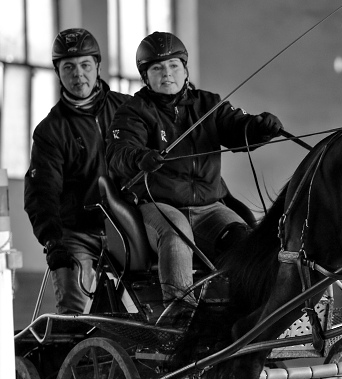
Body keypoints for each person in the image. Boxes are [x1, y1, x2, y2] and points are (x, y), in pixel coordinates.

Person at [106, 31, 282, 312]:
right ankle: (179, 317)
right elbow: (119, 153)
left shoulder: (208, 105)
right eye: (157, 68)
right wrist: (140, 157)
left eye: (174, 65)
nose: (167, 74)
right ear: (145, 76)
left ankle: (248, 314)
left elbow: (238, 128)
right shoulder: (133, 112)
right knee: (177, 237)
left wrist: (259, 128)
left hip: (210, 207)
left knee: (247, 243)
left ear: (185, 69)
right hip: (160, 204)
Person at [25, 28, 131, 313]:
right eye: (68, 67)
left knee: (159, 306)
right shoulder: (50, 130)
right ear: (58, 72)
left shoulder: (130, 110)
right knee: (73, 310)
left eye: (85, 65)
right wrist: (52, 241)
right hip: (77, 233)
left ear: (98, 66)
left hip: (128, 227)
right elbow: (42, 191)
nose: (78, 74)